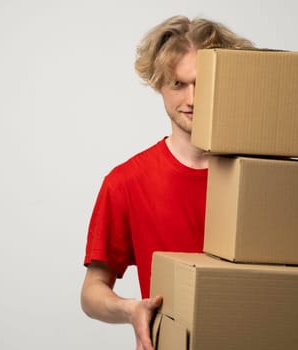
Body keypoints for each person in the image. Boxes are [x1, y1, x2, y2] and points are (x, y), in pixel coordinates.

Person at [81, 15, 254, 350]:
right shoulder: (126, 182)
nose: (191, 99)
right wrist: (130, 308)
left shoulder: (263, 178)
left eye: (203, 84)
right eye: (178, 84)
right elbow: (92, 290)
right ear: (159, 85)